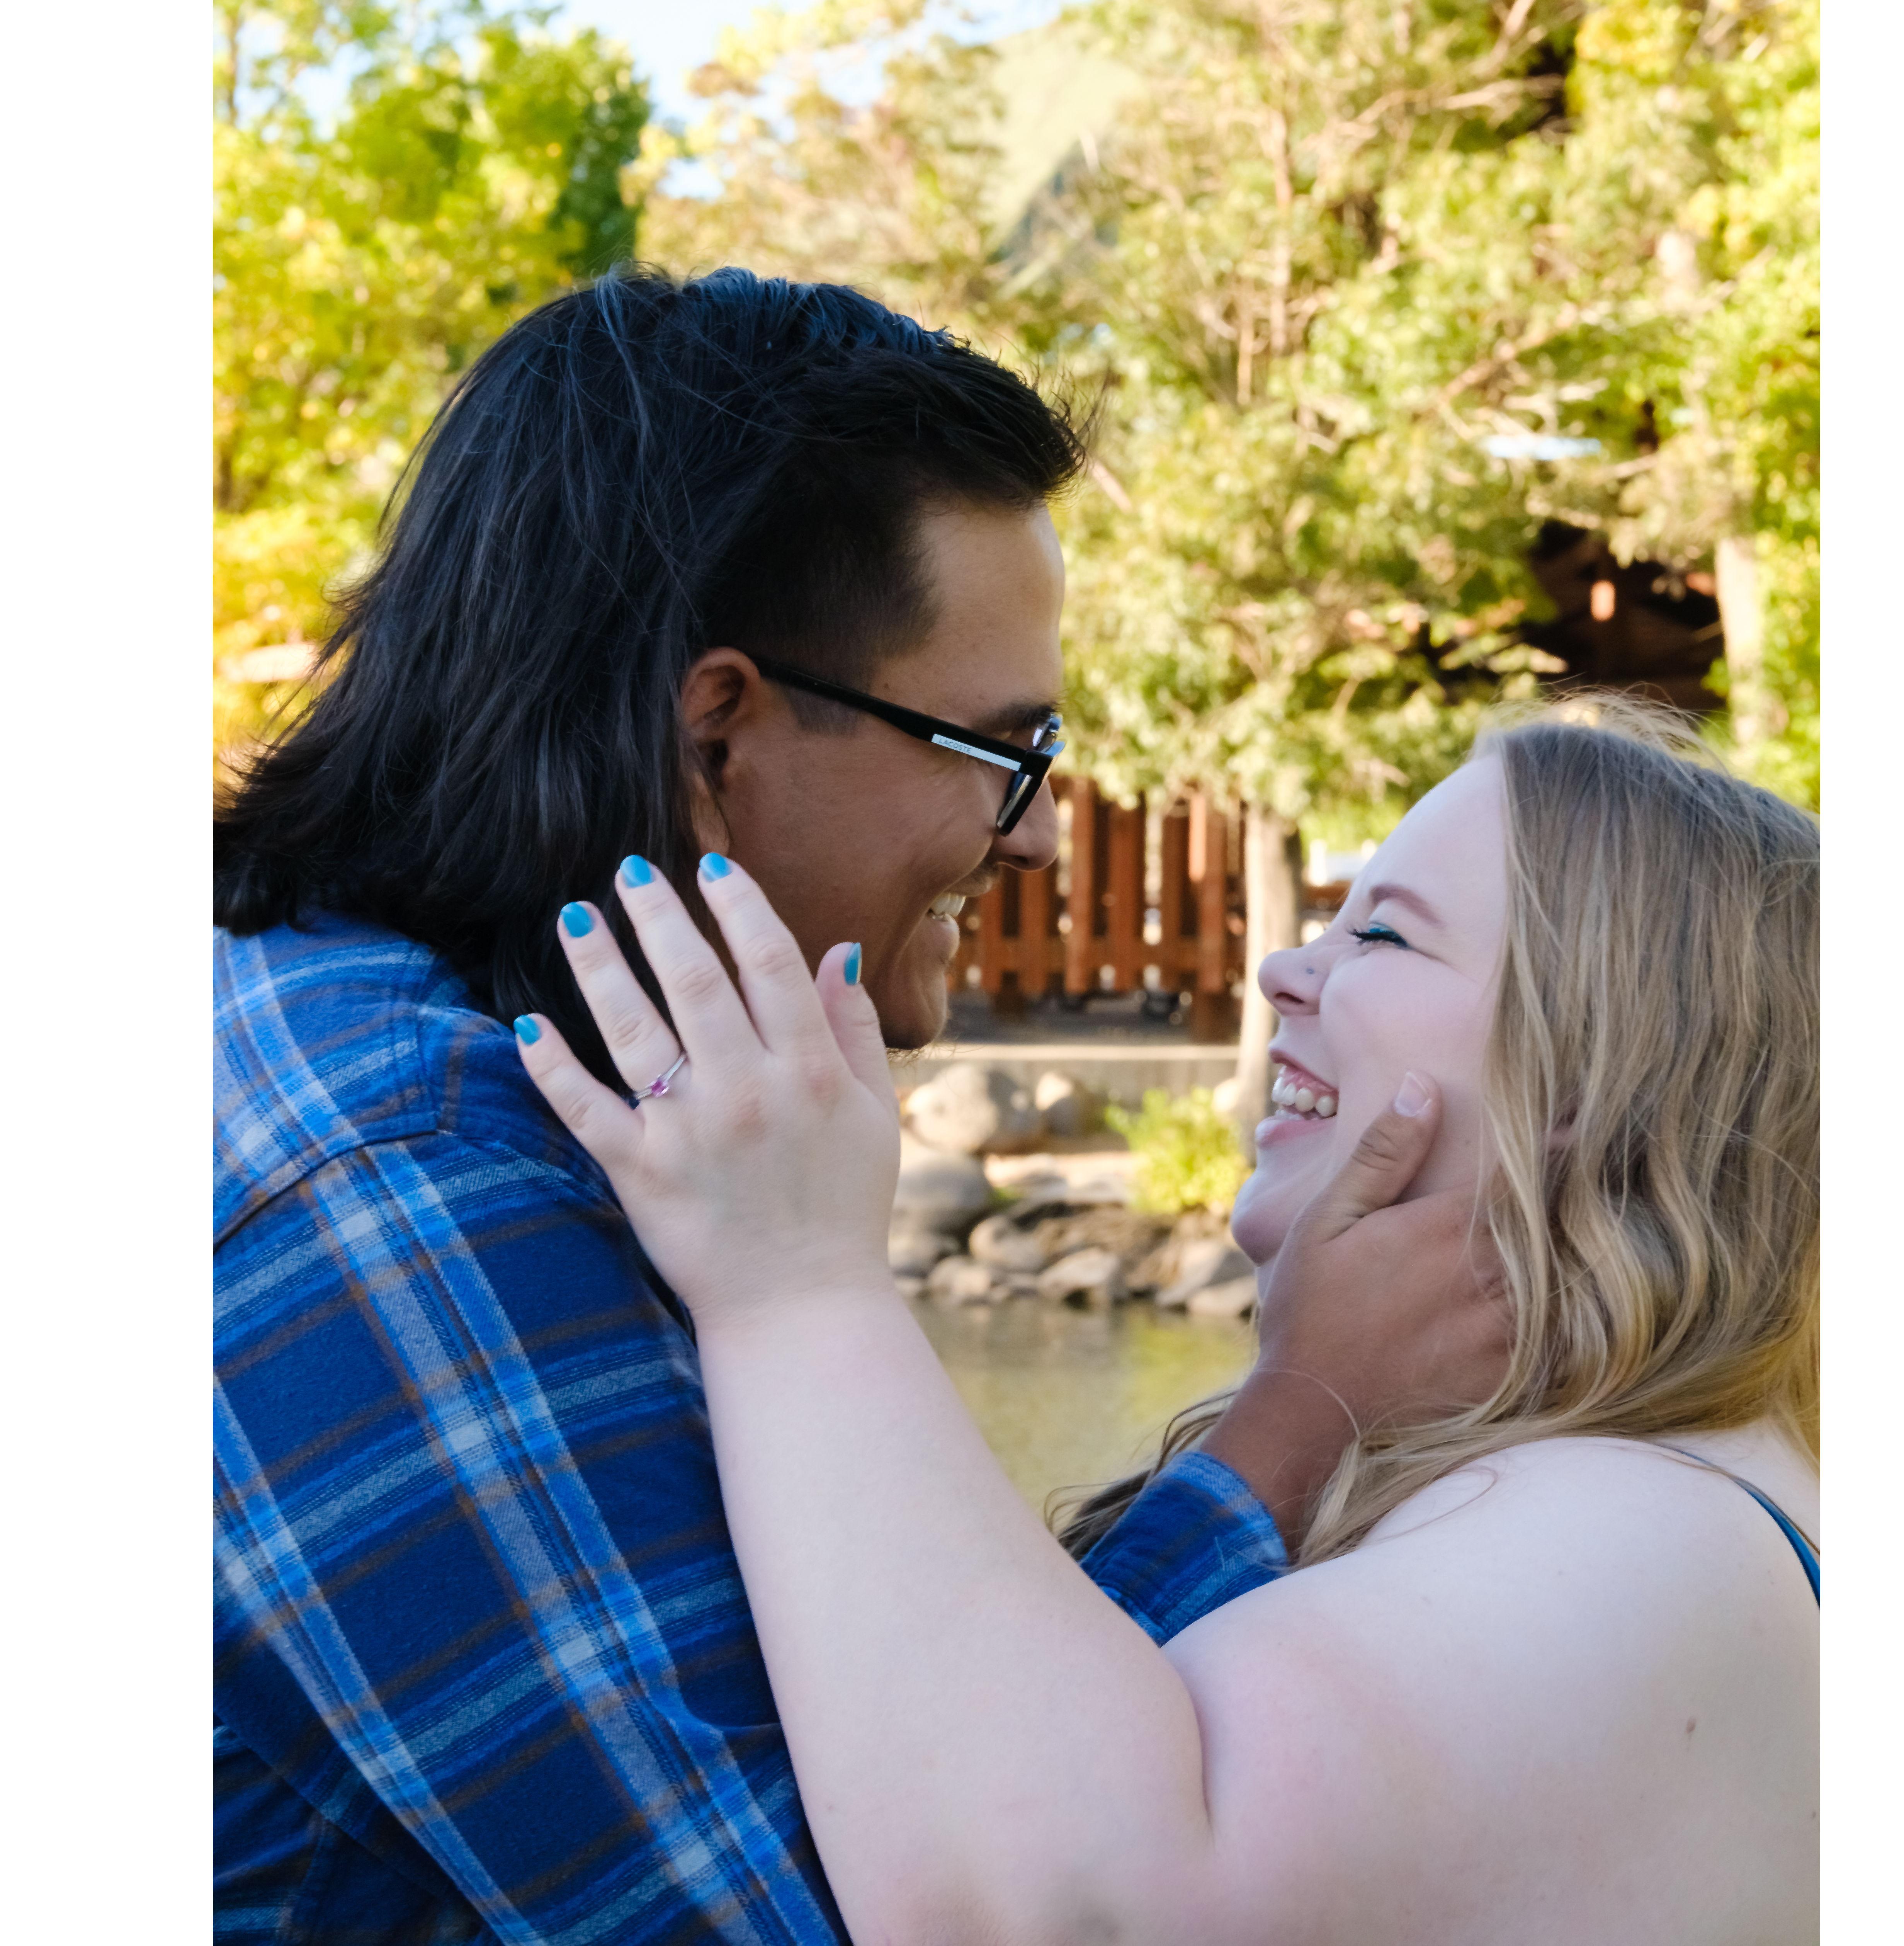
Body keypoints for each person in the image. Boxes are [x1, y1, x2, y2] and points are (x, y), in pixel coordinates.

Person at [212, 265, 1506, 1943]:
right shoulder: (401, 1181)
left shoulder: (402, 1050)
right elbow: (917, 1902)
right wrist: (1299, 1420)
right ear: (717, 736)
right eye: (1007, 751)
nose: (1043, 836)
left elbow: (896, 1747)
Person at [517, 698, 1821, 1946]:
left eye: (1382, 938)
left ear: (1598, 1078)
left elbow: (1070, 1912)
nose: (1283, 969)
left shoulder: (1651, 1525)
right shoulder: (1651, 1489)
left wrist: (796, 1285)